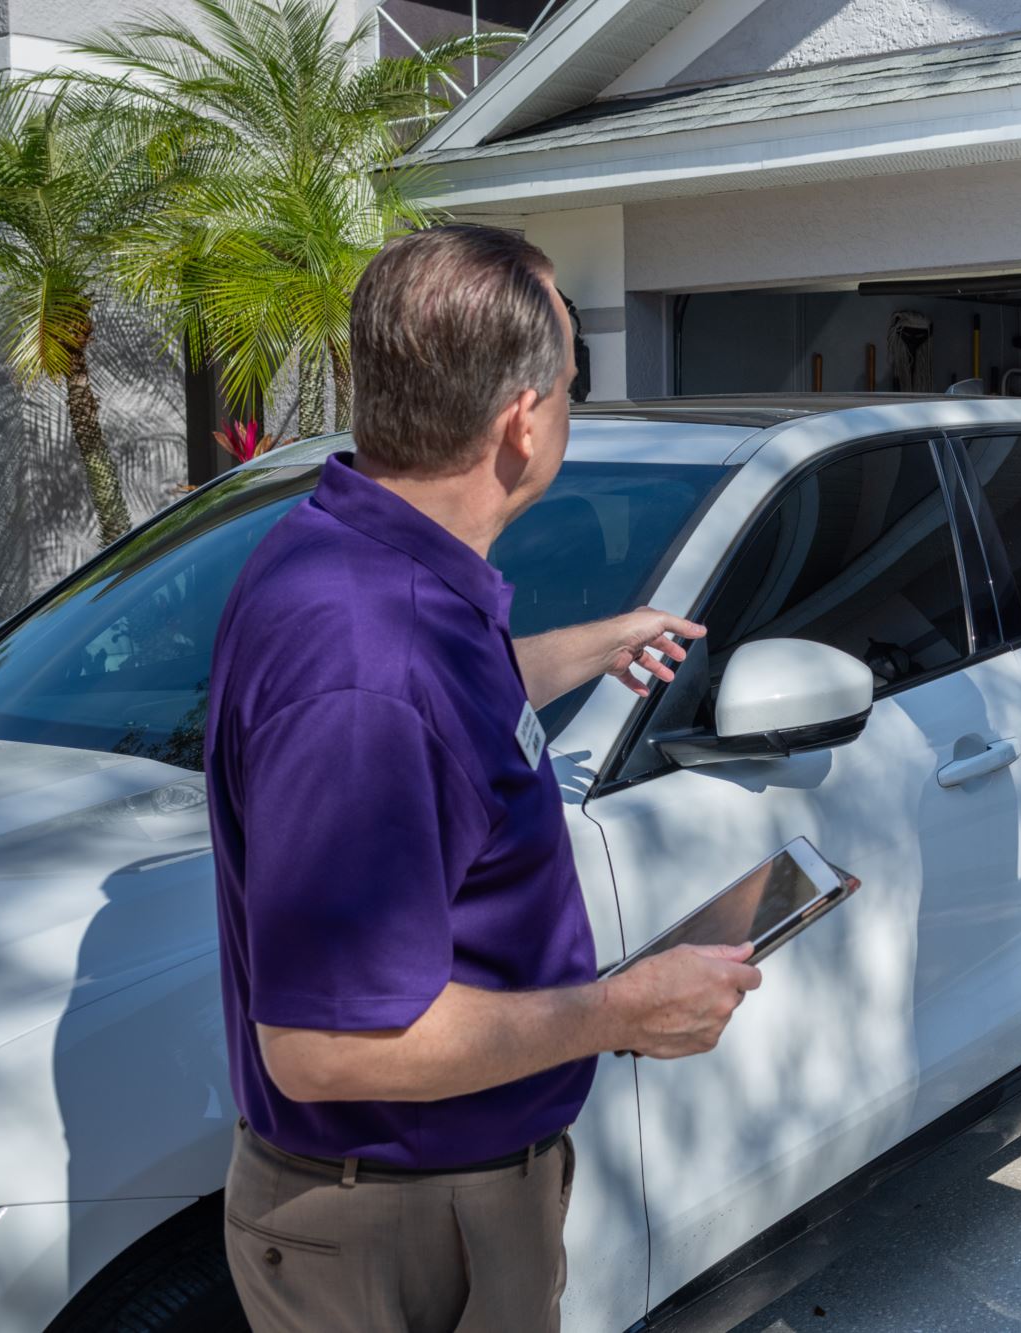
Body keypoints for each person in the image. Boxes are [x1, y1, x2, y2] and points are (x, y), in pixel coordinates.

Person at [204, 225, 761, 1333]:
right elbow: (325, 1048)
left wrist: (587, 646)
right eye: (570, 382)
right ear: (520, 420)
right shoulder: (365, 663)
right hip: (398, 1234)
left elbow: (438, 714)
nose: (569, 407)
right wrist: (618, 1012)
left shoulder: (366, 556)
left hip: (434, 1204)